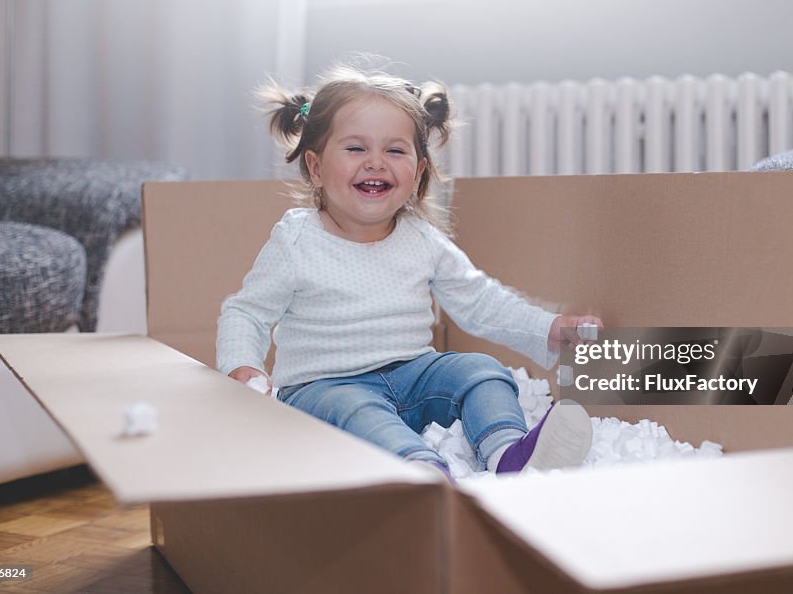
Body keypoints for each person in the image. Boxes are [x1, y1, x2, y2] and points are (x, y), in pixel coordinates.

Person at [216, 64, 602, 477]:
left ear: (418, 172)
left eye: (395, 151)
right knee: (356, 409)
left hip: (414, 375)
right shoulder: (297, 239)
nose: (376, 163)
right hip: (324, 388)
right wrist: (243, 366)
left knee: (483, 370)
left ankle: (509, 453)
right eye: (356, 149)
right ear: (315, 167)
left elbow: (482, 302)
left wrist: (548, 328)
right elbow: (247, 312)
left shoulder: (421, 239)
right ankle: (418, 469)